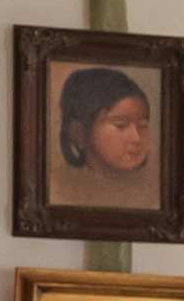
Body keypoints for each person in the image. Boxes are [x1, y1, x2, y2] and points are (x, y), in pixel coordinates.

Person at [52, 64, 157, 205]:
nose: (136, 138)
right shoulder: (63, 190)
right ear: (78, 132)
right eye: (121, 125)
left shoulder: (151, 193)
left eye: (143, 126)